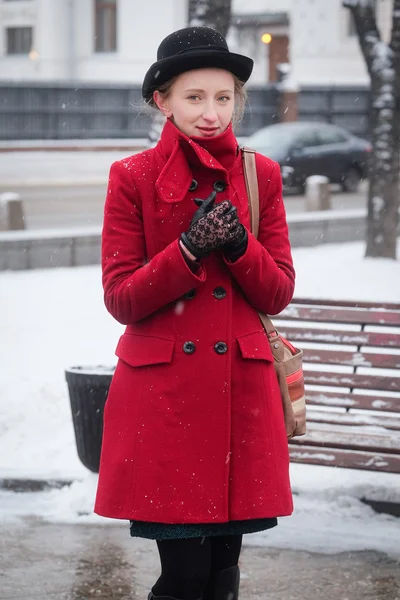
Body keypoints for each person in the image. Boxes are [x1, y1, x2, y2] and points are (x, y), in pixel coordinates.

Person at [95, 26, 295, 600]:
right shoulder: (131, 178)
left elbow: (278, 291)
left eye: (223, 97)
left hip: (240, 398)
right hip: (167, 405)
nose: (211, 113)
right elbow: (120, 297)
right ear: (162, 100)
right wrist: (185, 253)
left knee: (223, 577)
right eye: (194, 97)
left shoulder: (261, 176)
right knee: (183, 578)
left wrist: (238, 247)